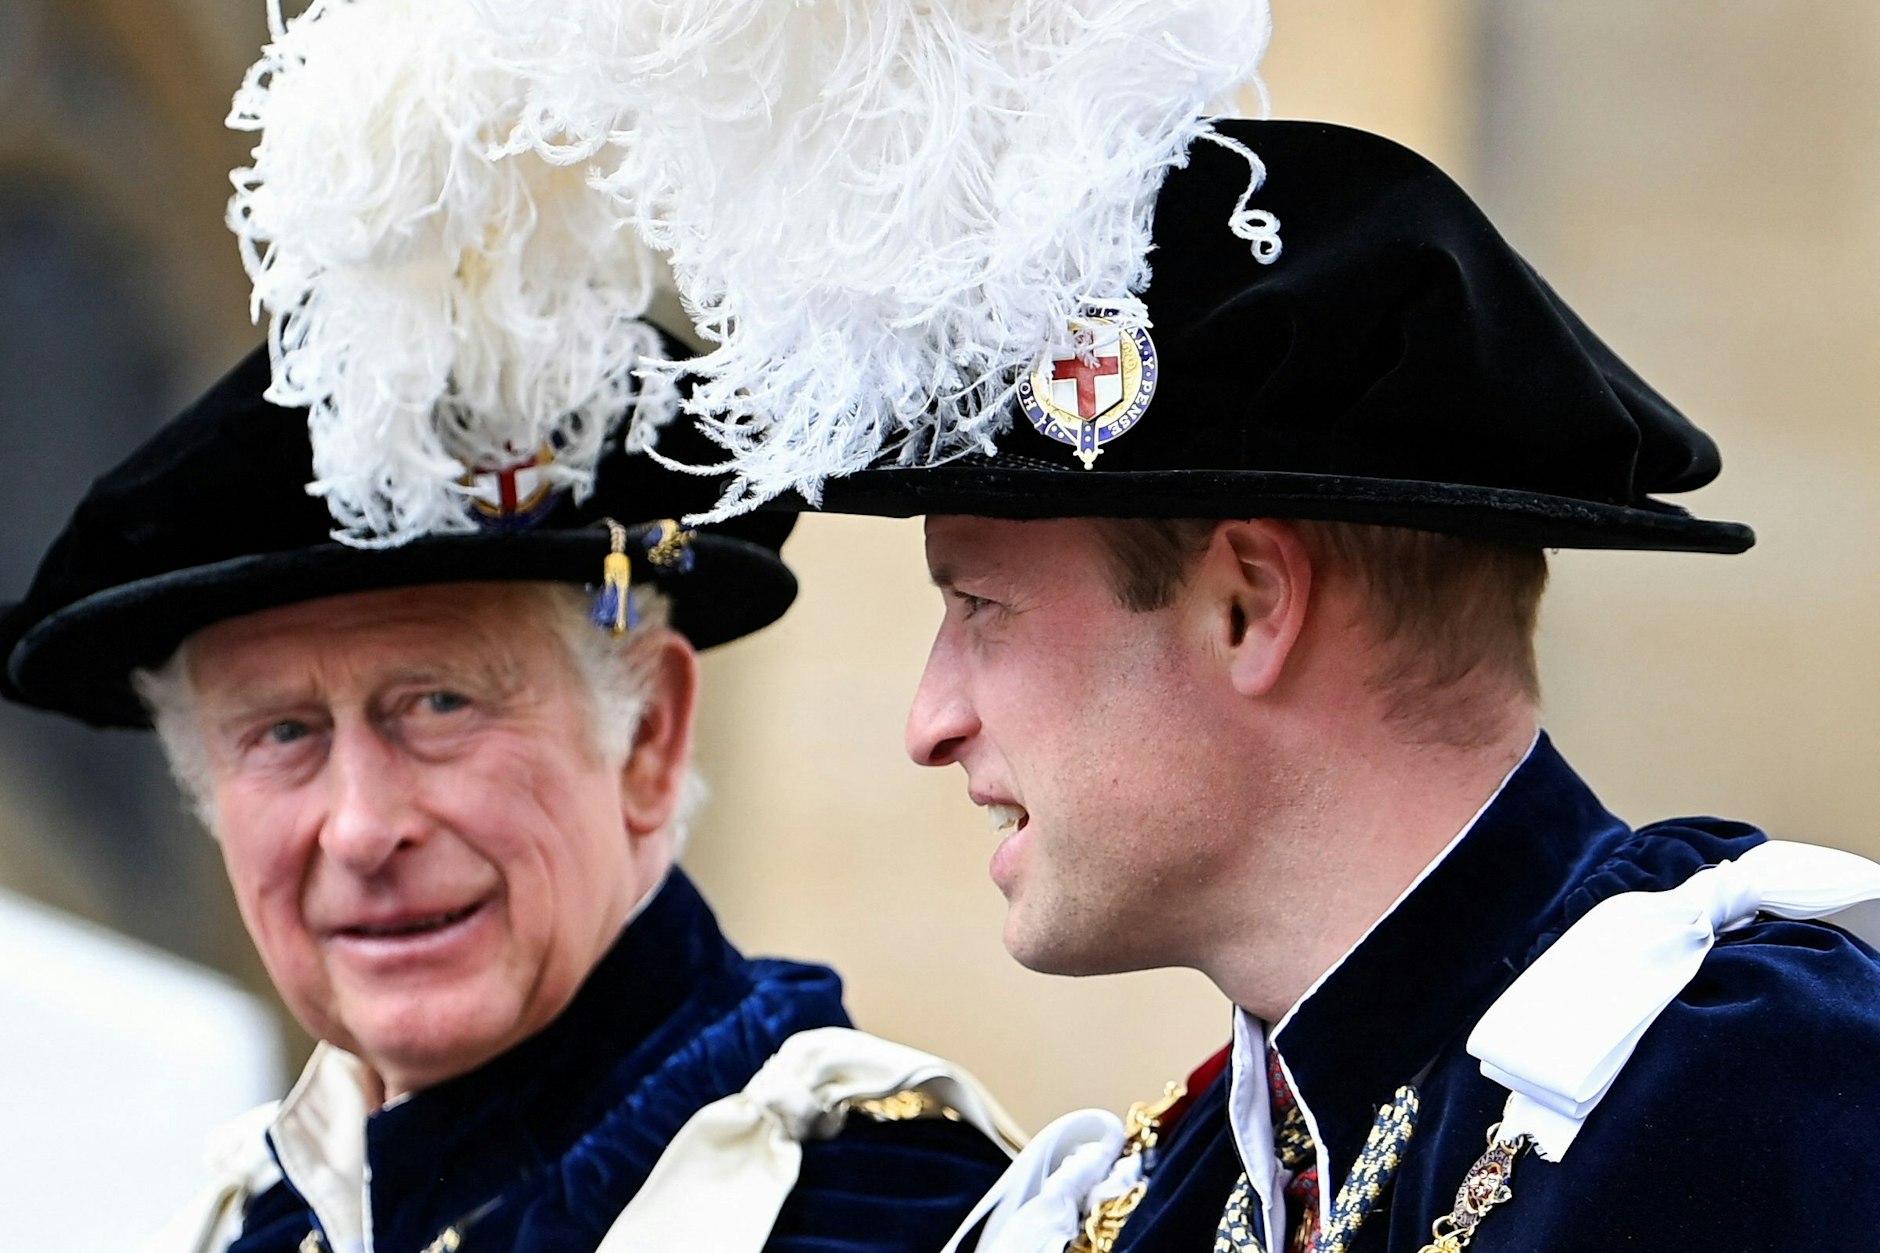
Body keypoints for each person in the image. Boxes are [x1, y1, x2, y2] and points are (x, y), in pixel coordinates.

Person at [788, 121, 1880, 1252]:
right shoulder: (1169, 1192)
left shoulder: (1745, 1097)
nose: (929, 723)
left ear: (1245, 604)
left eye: (979, 607)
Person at [0, 346, 1020, 1252]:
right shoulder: (244, 1224)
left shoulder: (886, 1210)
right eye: (282, 733)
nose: (360, 827)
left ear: (648, 732)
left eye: (439, 702)